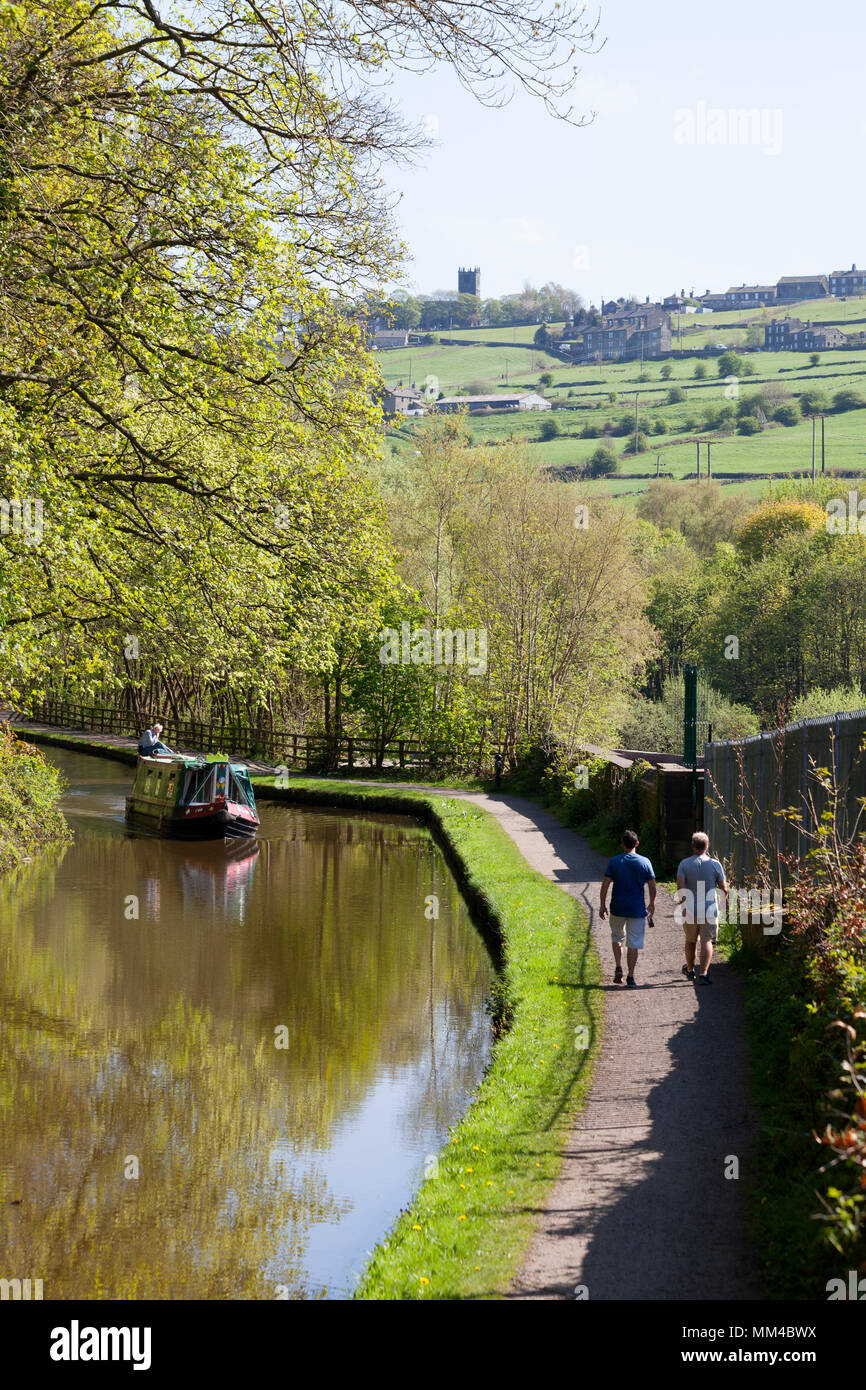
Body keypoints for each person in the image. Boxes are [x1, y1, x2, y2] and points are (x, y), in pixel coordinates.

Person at [599, 829, 657, 989]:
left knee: (617, 937)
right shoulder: (645, 862)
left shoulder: (615, 861)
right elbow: (652, 886)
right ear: (637, 844)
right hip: (637, 909)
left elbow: (605, 884)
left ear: (622, 844)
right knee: (634, 943)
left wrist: (602, 904)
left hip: (617, 907)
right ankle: (631, 977)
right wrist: (652, 903)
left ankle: (618, 966)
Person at [675, 831, 728, 986]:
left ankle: (690, 971)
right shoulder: (715, 864)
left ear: (692, 846)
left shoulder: (684, 864)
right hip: (709, 909)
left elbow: (680, 886)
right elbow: (723, 888)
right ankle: (703, 974)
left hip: (690, 908)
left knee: (690, 941)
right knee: (707, 941)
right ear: (707, 846)